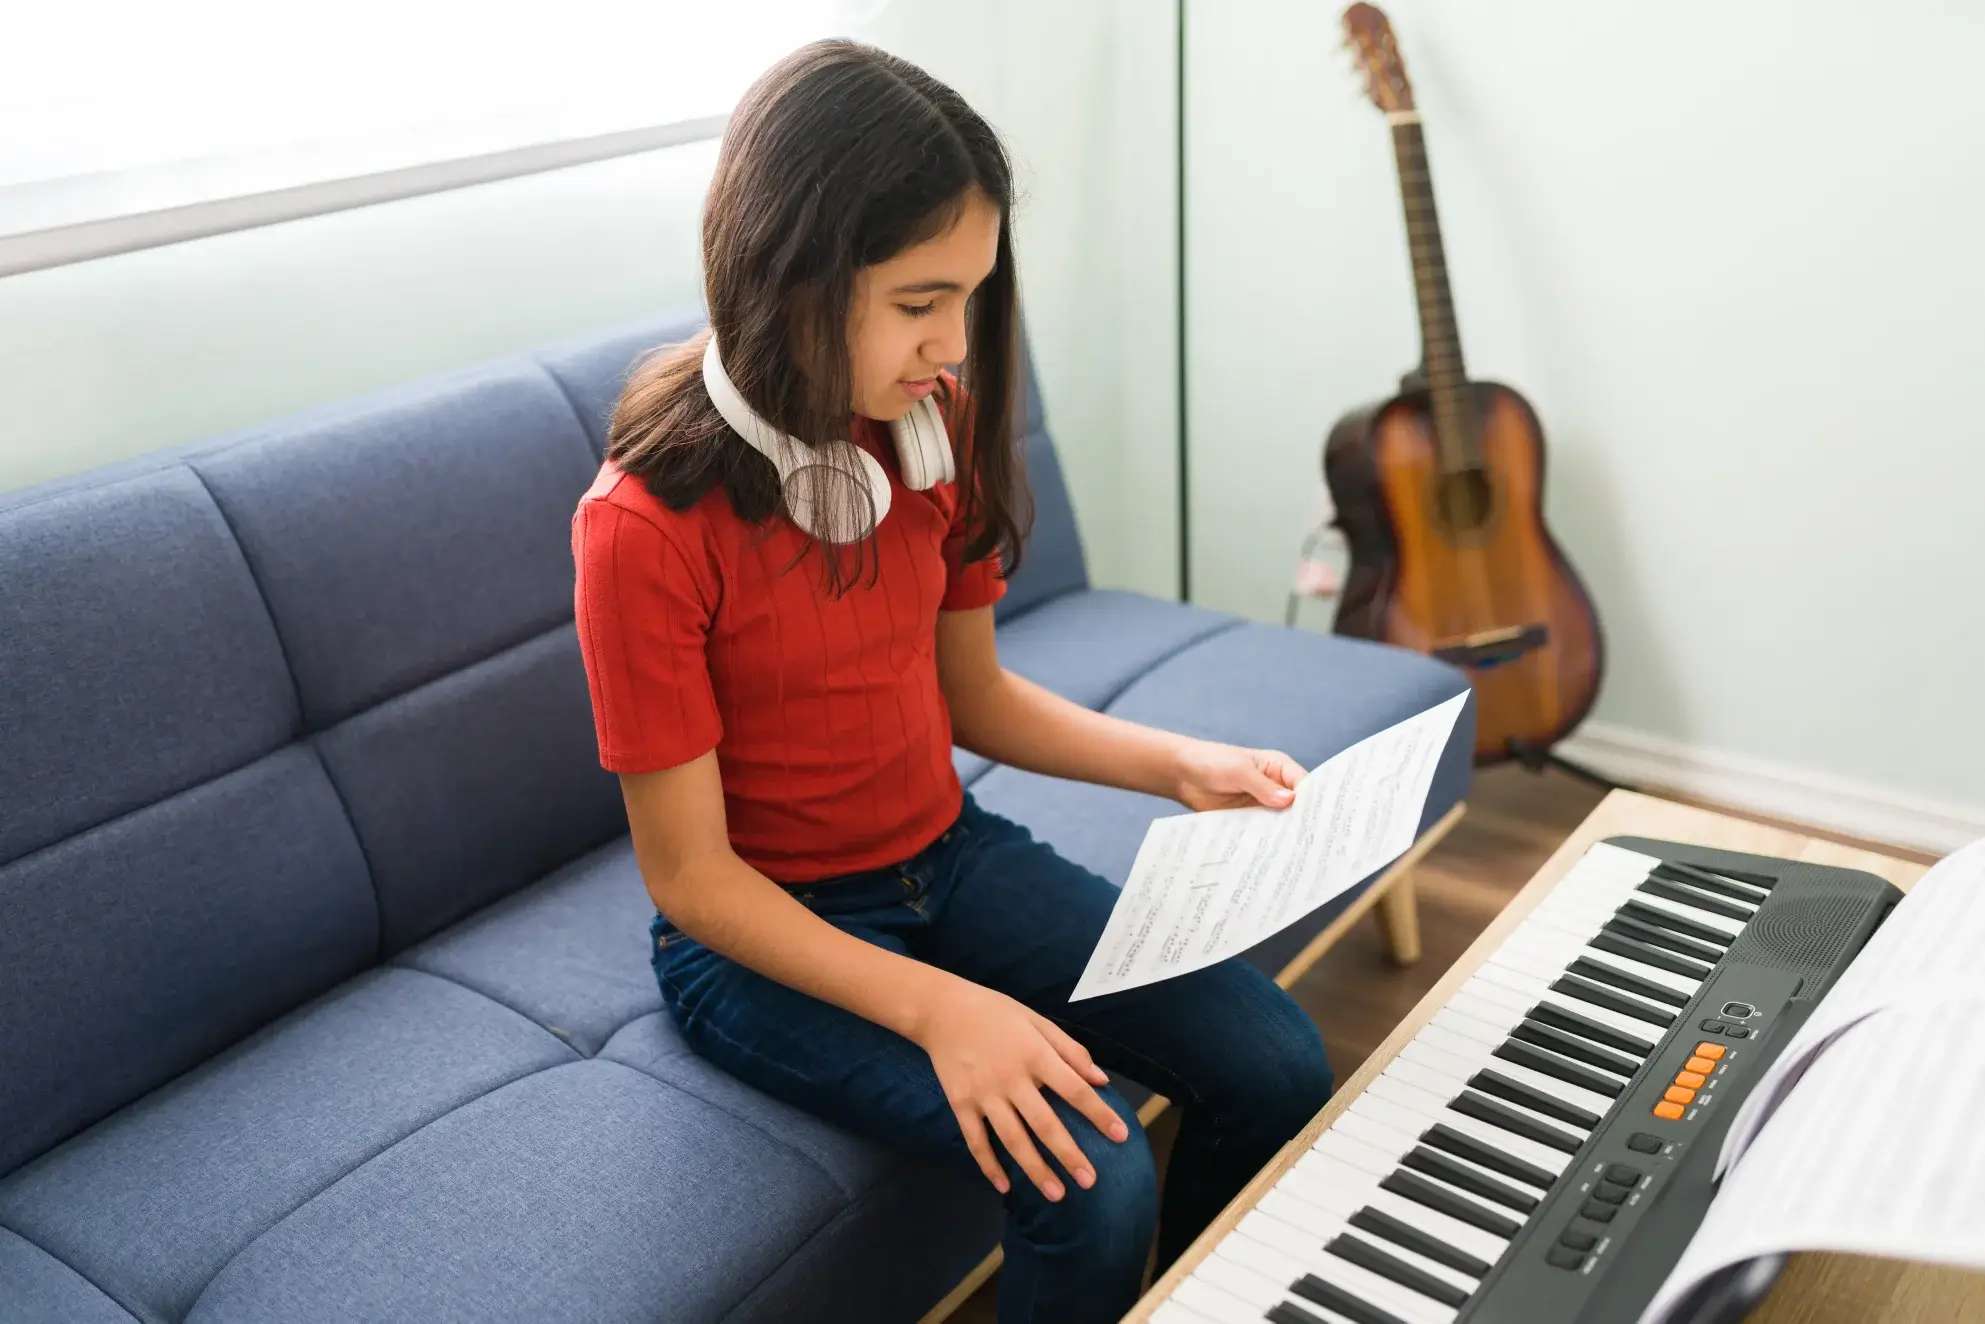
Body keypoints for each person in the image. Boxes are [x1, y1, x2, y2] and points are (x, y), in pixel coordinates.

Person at [571, 38, 1333, 1324]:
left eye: (968, 297)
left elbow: (972, 701)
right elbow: (690, 880)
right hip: (764, 936)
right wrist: (943, 1012)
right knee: (1086, 1177)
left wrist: (1177, 763)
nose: (951, 342)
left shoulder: (928, 431)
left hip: (947, 853)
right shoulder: (642, 527)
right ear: (791, 270)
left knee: (1276, 1061)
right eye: (919, 301)